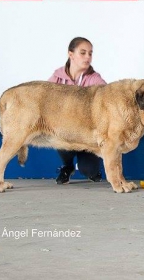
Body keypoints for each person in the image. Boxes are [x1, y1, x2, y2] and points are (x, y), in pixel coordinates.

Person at [48, 37, 106, 184]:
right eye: (83, 53)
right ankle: (67, 167)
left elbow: (108, 101)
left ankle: (90, 168)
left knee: (89, 171)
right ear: (71, 54)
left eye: (90, 53)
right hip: (65, 131)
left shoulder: (95, 79)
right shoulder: (56, 77)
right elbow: (44, 102)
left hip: (88, 135)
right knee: (57, 134)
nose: (88, 57)